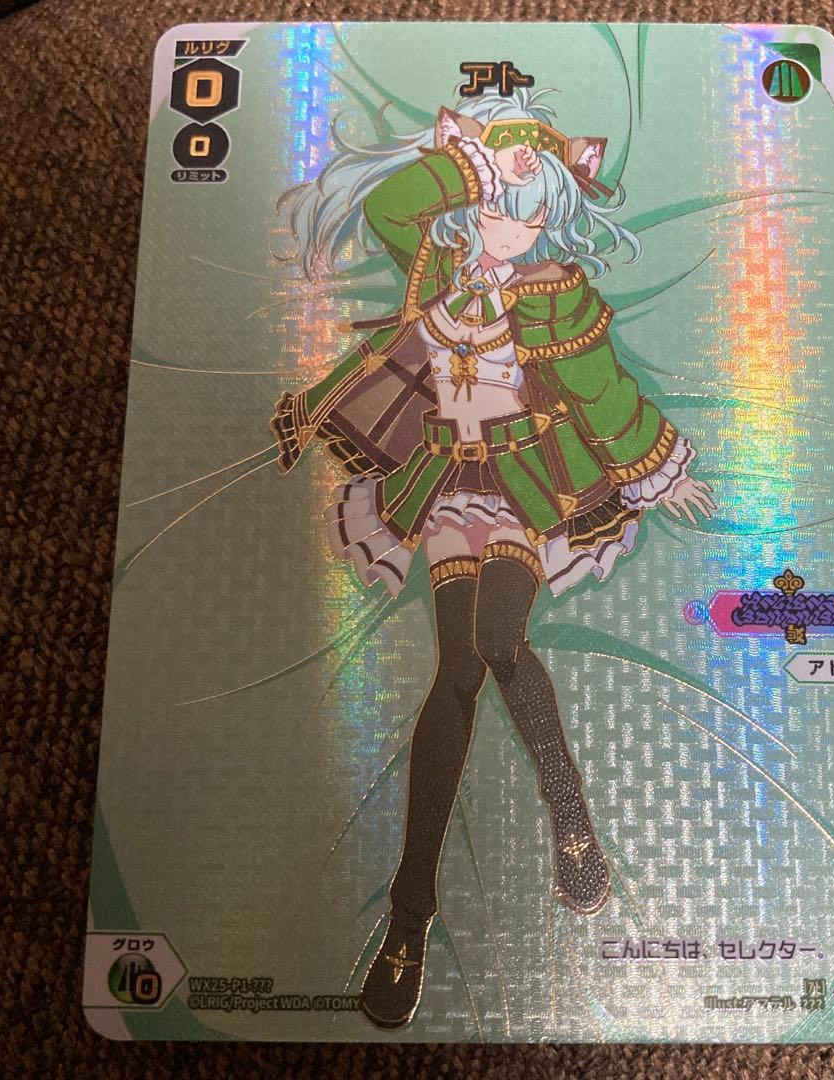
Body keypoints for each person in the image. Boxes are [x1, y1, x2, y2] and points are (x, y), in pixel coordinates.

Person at [270, 89, 715, 1029]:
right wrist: (474, 161)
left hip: (526, 486)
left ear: (553, 218)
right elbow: (396, 205)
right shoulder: (436, 262)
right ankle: (410, 918)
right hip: (447, 484)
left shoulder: (560, 293)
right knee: (459, 675)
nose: (508, 231)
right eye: (496, 209)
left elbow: (603, 390)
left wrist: (657, 469)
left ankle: (569, 812)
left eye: (529, 215)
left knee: (500, 642)